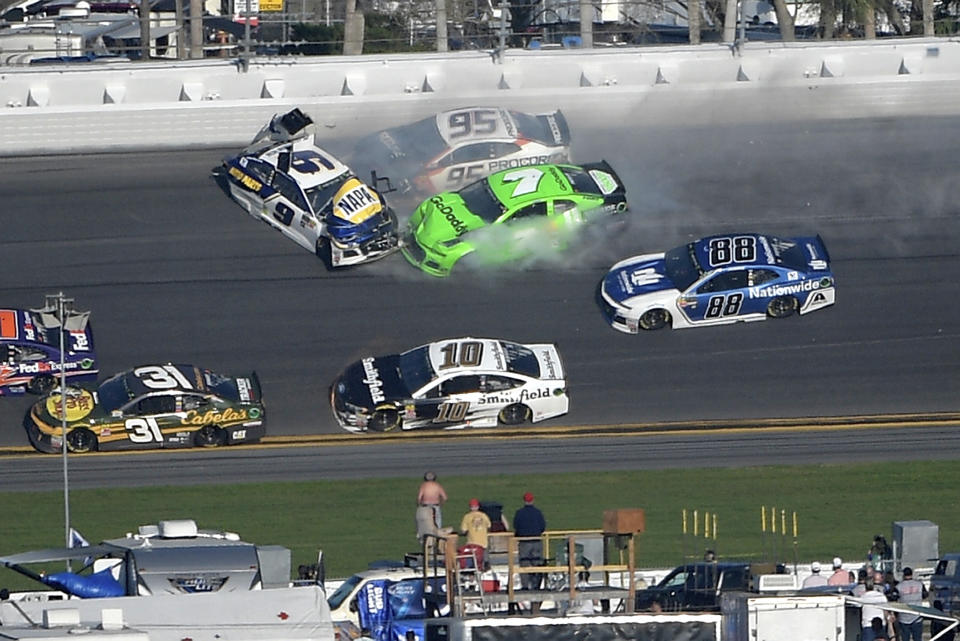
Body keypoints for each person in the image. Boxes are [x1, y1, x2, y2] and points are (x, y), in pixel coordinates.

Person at [513, 491, 546, 591]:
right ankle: (536, 585)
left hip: (524, 541)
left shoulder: (519, 513)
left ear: (524, 500)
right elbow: (542, 527)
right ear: (533, 500)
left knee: (524, 563)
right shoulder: (538, 512)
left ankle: (525, 586)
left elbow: (516, 526)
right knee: (537, 563)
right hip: (536, 541)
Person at [896, 567, 928, 641]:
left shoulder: (899, 586)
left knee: (905, 638)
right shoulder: (920, 584)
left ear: (904, 575)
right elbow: (925, 595)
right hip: (917, 616)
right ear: (912, 574)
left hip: (904, 617)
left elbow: (893, 598)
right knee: (917, 639)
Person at [415, 471, 447, 543]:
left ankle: (424, 539)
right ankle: (437, 539)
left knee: (424, 524)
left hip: (425, 507)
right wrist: (440, 504)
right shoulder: (437, 486)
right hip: (436, 506)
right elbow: (444, 497)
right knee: (437, 524)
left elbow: (419, 498)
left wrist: (419, 506)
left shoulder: (424, 486)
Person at [859, 577, 889, 641]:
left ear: (865, 586)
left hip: (868, 625)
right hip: (881, 625)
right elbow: (886, 610)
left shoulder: (863, 597)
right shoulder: (881, 596)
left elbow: (857, 605)